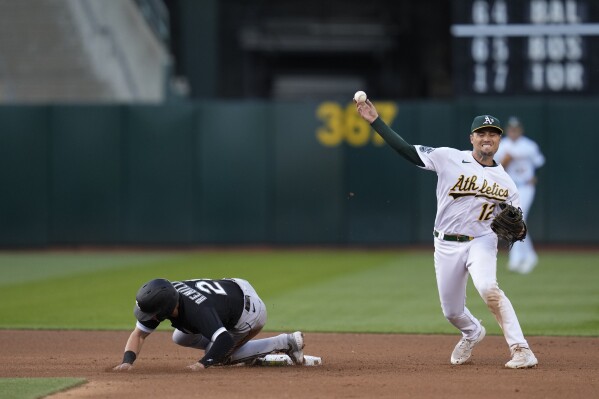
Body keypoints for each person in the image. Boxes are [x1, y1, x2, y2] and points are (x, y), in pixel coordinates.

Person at [355, 99, 538, 369]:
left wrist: (519, 229)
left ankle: (521, 349)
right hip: (445, 243)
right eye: (482, 133)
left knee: (489, 288)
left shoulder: (507, 183)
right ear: (472, 138)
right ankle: (472, 332)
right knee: (452, 312)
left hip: (481, 241)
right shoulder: (448, 157)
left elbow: (517, 225)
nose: (487, 138)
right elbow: (406, 150)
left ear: (499, 141)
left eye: (493, 134)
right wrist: (375, 121)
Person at [113, 277, 305, 371]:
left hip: (248, 312)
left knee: (220, 354)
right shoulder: (168, 296)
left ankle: (287, 342)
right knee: (180, 336)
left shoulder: (198, 310)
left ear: (166, 308)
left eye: (152, 313)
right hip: (232, 289)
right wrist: (127, 362)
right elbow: (138, 334)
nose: (148, 317)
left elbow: (224, 340)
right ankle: (220, 347)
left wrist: (202, 364)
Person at [494, 116, 545, 274]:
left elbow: (539, 162)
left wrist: (534, 175)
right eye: (511, 129)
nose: (513, 131)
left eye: (516, 129)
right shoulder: (502, 145)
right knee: (513, 221)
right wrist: (506, 160)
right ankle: (520, 257)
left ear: (520, 130)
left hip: (525, 186)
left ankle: (525, 257)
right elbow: (496, 166)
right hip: (510, 187)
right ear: (507, 130)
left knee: (519, 219)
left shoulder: (529, 145)